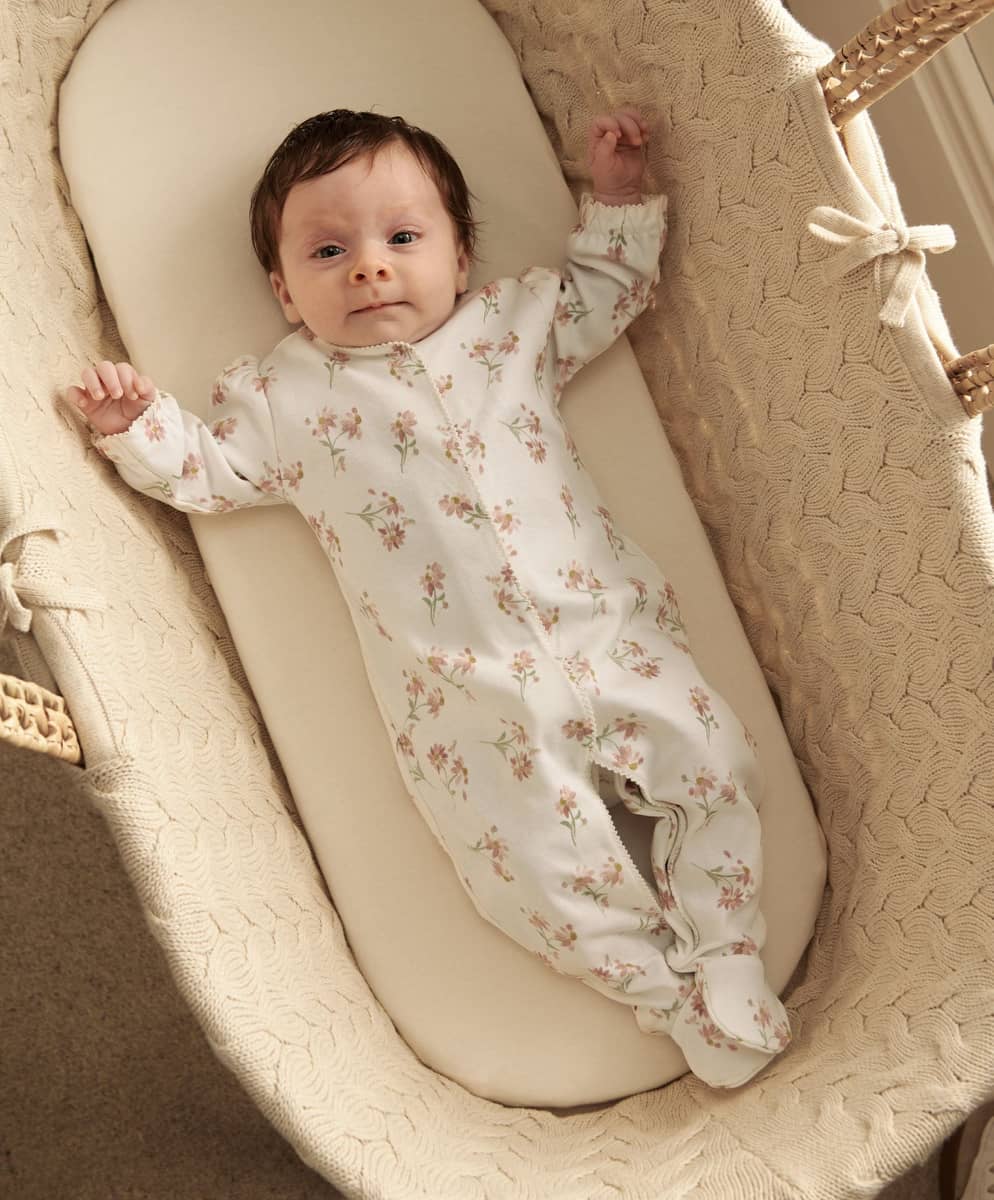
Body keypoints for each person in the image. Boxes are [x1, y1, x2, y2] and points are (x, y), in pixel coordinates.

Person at [67, 107, 789, 1087]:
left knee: (712, 761)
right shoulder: (285, 399)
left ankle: (725, 948)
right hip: (465, 691)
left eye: (402, 238)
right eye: (328, 251)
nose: (369, 267)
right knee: (529, 862)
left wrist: (619, 198)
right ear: (283, 290)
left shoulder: (514, 329)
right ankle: (663, 991)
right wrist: (137, 423)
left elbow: (610, 290)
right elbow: (210, 472)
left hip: (609, 634)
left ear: (460, 258)